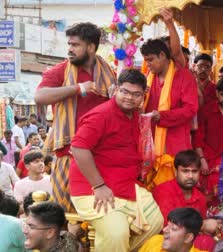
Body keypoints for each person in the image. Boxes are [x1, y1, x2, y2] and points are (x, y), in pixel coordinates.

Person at [69, 69, 163, 251]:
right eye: (125, 92)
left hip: (124, 184)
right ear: (116, 89)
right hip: (93, 188)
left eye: (136, 94)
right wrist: (98, 186)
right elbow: (78, 148)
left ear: (143, 95)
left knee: (155, 221)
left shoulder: (134, 115)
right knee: (116, 233)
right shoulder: (101, 115)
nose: (130, 98)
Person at [34, 22, 116, 212]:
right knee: (66, 214)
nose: (70, 49)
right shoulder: (61, 70)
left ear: (91, 47)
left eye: (75, 45)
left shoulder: (108, 73)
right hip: (69, 153)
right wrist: (78, 88)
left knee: (103, 211)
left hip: (101, 153)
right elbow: (39, 96)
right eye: (69, 44)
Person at [141, 39, 198, 187]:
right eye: (146, 61)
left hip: (175, 141)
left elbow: (191, 109)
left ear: (162, 55)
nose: (148, 64)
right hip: (150, 143)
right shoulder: (148, 78)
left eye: (151, 60)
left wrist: (163, 116)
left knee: (173, 187)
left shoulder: (184, 76)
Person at [193, 76, 223, 193]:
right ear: (216, 93)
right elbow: (197, 138)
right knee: (207, 191)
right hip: (208, 160)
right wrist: (202, 159)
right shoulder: (206, 111)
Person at [139, 208, 203, 252]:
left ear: (188, 237)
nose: (164, 230)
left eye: (173, 228)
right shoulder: (154, 242)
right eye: (167, 225)